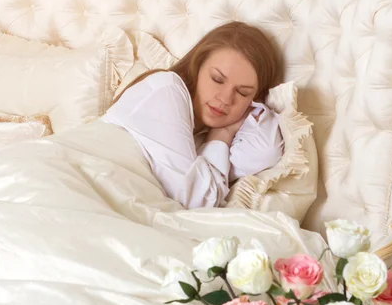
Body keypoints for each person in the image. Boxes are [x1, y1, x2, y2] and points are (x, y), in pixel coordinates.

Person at [102, 21, 285, 209]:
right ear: (197, 67)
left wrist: (224, 132)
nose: (225, 99)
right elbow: (197, 201)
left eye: (242, 92)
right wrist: (223, 135)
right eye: (217, 79)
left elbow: (267, 151)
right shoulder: (167, 89)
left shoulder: (202, 139)